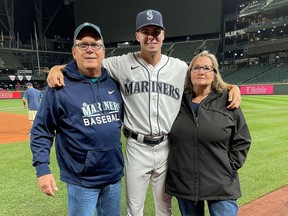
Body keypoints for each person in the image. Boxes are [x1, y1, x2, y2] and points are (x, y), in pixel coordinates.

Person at [46, 10, 241, 216]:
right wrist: (57, 68)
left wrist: (231, 87)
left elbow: (205, 77)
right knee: (134, 209)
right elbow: (88, 60)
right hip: (136, 147)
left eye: (156, 31)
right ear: (137, 35)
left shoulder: (180, 68)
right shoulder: (120, 63)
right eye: (145, 31)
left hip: (167, 147)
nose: (151, 36)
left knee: (164, 208)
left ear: (163, 35)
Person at [30, 22, 124, 216]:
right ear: (74, 52)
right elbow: (42, 130)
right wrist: (42, 168)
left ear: (103, 52)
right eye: (83, 45)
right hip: (82, 180)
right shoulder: (59, 86)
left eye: (95, 45)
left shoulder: (114, 83)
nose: (90, 49)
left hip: (113, 176)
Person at [165, 50, 252, 216]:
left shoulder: (228, 100)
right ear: (189, 73)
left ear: (215, 74)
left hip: (221, 182)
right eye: (196, 68)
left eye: (207, 68)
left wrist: (230, 167)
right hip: (185, 183)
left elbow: (243, 139)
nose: (201, 71)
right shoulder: (177, 101)